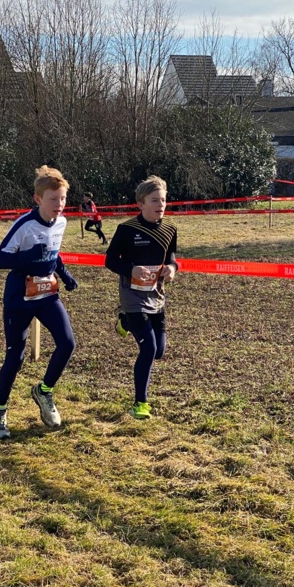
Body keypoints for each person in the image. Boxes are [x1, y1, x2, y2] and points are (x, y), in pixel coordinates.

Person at [0, 165, 78, 439]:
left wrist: (65, 274)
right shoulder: (25, 224)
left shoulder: (61, 222)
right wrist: (26, 257)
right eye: (53, 199)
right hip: (19, 296)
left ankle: (44, 391)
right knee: (15, 357)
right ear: (38, 199)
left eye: (63, 199)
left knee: (67, 343)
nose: (59, 204)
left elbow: (53, 253)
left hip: (47, 293)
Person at [105, 175, 178, 420]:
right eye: (154, 200)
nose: (161, 205)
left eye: (163, 200)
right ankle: (140, 403)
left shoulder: (170, 229)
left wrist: (172, 269)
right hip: (132, 295)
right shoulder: (127, 229)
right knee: (148, 349)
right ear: (141, 204)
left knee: (159, 351)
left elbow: (172, 258)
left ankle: (124, 321)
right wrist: (131, 269)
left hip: (156, 295)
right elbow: (110, 261)